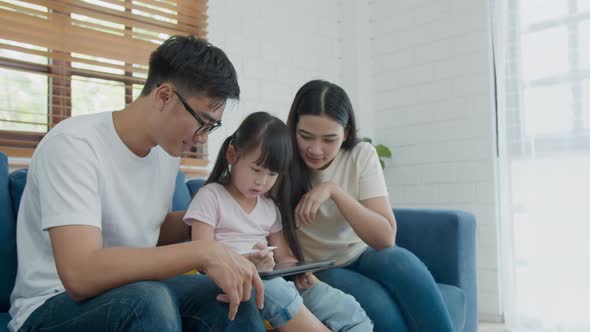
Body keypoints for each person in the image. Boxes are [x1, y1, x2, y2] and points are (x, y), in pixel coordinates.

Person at [8, 35, 267, 332]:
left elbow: (146, 235)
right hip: (50, 305)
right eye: (202, 122)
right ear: (164, 96)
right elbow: (80, 275)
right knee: (146, 299)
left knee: (231, 295)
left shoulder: (166, 154)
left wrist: (218, 216)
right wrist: (203, 252)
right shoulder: (74, 145)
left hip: (130, 290)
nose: (203, 137)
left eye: (213, 127)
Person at [287, 80, 456, 332]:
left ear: (346, 132)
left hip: (361, 253)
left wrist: (333, 191)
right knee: (378, 302)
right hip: (321, 267)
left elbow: (386, 238)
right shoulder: (282, 158)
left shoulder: (360, 154)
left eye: (329, 139)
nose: (316, 149)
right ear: (294, 128)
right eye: (305, 136)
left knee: (400, 260)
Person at [185, 111, 373, 332]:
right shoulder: (211, 196)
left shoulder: (268, 206)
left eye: (272, 174)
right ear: (232, 155)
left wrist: (300, 270)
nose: (262, 181)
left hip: (271, 280)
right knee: (277, 290)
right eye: (256, 169)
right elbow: (200, 256)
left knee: (343, 306)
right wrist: (246, 265)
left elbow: (284, 257)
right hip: (234, 283)